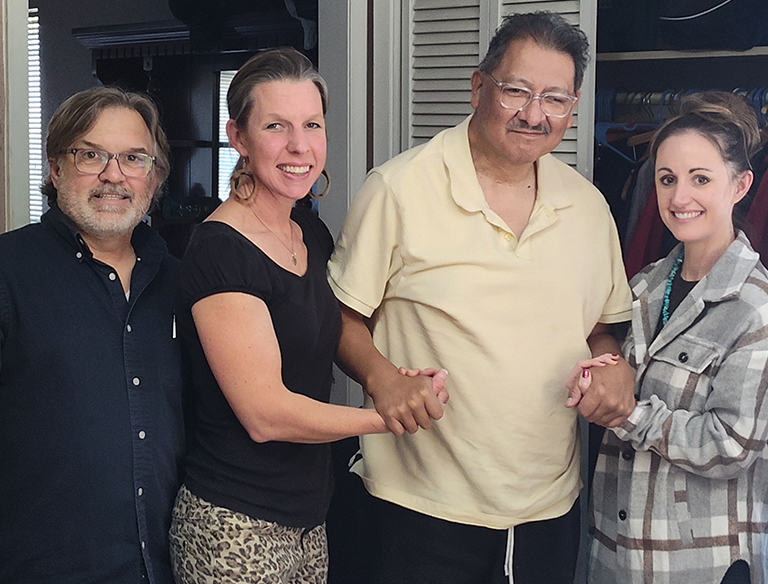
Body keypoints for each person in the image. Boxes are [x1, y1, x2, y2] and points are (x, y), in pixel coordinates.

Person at [327, 11, 633, 584]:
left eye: (555, 98)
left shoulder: (589, 208)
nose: (534, 113)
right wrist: (382, 378)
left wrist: (616, 368)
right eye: (516, 90)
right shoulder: (398, 188)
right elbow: (342, 316)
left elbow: (598, 329)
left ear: (574, 105)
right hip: (418, 505)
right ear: (478, 86)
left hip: (549, 505)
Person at [168, 48, 444, 584]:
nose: (300, 146)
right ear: (239, 137)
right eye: (276, 126)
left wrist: (389, 378)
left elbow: (336, 326)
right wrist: (386, 417)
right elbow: (265, 413)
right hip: (233, 521)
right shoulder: (218, 250)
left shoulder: (308, 232)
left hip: (309, 515)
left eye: (312, 125)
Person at [574, 92, 768, 584]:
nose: (679, 198)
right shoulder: (642, 285)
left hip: (697, 562)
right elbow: (608, 367)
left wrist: (630, 414)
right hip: (614, 551)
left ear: (741, 184)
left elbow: (731, 444)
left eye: (700, 179)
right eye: (666, 179)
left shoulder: (756, 308)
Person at [0, 87, 183, 583]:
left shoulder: (182, 283)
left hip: (166, 569)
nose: (113, 175)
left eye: (133, 158)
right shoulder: (8, 271)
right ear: (55, 168)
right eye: (90, 155)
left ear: (155, 177)